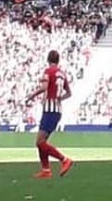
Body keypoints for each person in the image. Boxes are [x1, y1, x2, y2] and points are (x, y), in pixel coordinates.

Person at [25, 49, 74, 179]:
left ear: (48, 60)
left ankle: (64, 160)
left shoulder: (48, 72)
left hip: (49, 110)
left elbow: (44, 87)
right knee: (42, 142)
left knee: (40, 142)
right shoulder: (62, 74)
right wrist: (59, 99)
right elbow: (69, 93)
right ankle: (46, 170)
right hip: (57, 110)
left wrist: (31, 97)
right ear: (58, 61)